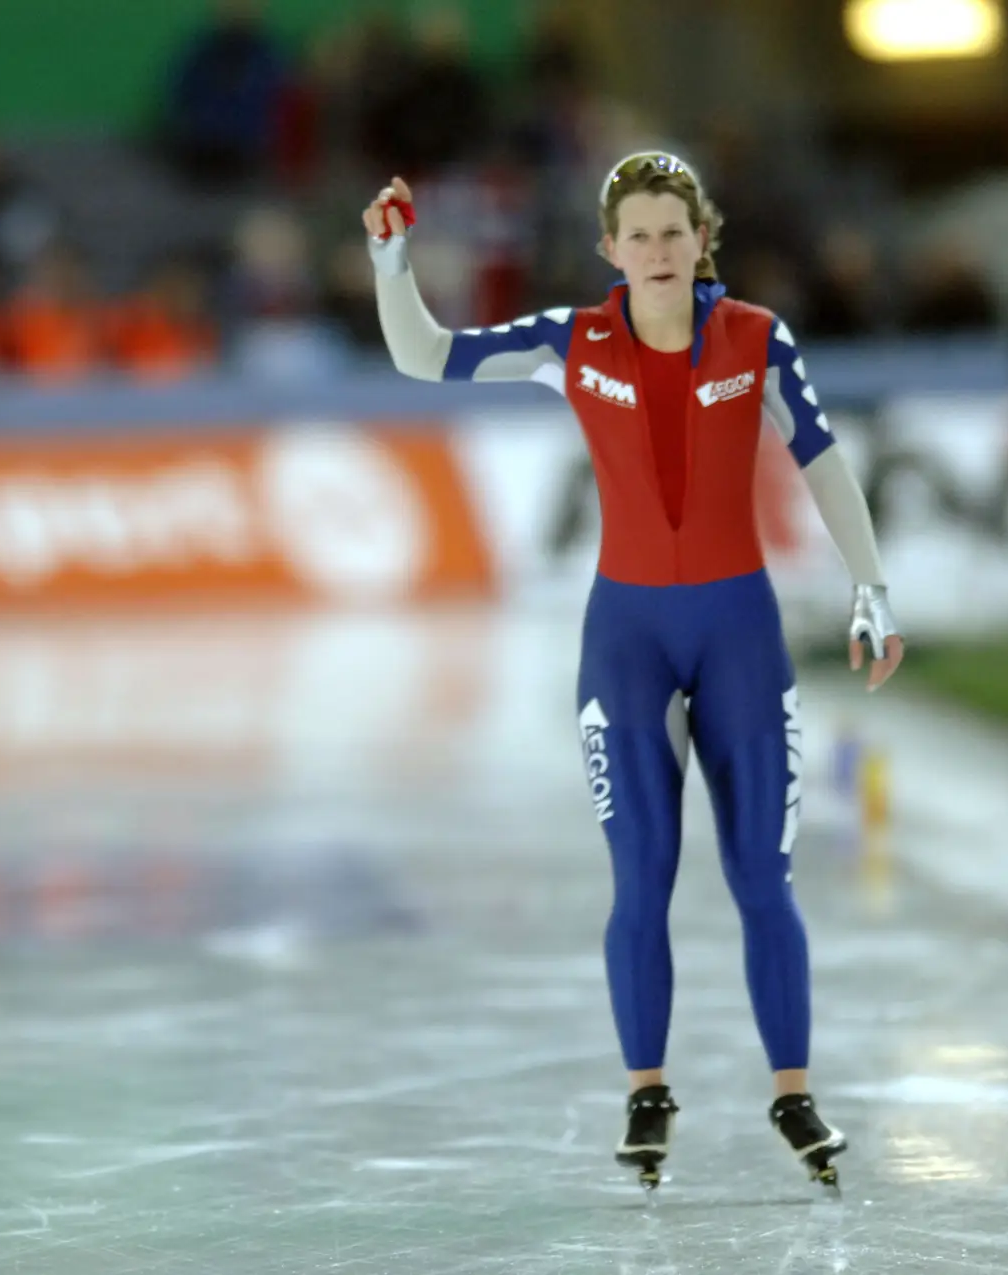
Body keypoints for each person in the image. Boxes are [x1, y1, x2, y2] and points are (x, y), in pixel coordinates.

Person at [362, 156, 905, 1192]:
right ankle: (646, 1091)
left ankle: (793, 1094)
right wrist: (392, 261)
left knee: (762, 878)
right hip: (628, 644)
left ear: (706, 240)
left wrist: (870, 589)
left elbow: (823, 459)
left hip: (740, 633)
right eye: (639, 236)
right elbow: (424, 357)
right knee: (641, 877)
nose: (658, 253)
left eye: (675, 233)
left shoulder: (756, 336)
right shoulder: (572, 341)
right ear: (609, 250)